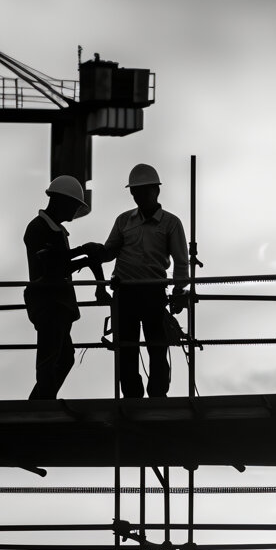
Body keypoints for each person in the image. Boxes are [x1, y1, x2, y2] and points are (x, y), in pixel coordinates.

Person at [94, 163, 189, 398]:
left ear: (156, 191)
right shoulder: (124, 221)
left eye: (143, 191)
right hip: (124, 292)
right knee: (126, 349)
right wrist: (94, 254)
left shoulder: (170, 223)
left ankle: (157, 395)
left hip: (153, 293)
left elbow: (181, 261)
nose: (138, 196)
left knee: (157, 347)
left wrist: (178, 290)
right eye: (135, 192)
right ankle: (132, 397)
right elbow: (110, 251)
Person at [23, 176, 106, 400]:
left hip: (59, 303)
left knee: (64, 357)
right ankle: (42, 407)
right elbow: (53, 265)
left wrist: (99, 282)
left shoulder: (56, 230)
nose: (76, 211)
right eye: (74, 206)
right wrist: (83, 251)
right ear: (61, 201)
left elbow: (65, 263)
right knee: (50, 359)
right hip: (48, 302)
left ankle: (39, 401)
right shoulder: (38, 228)